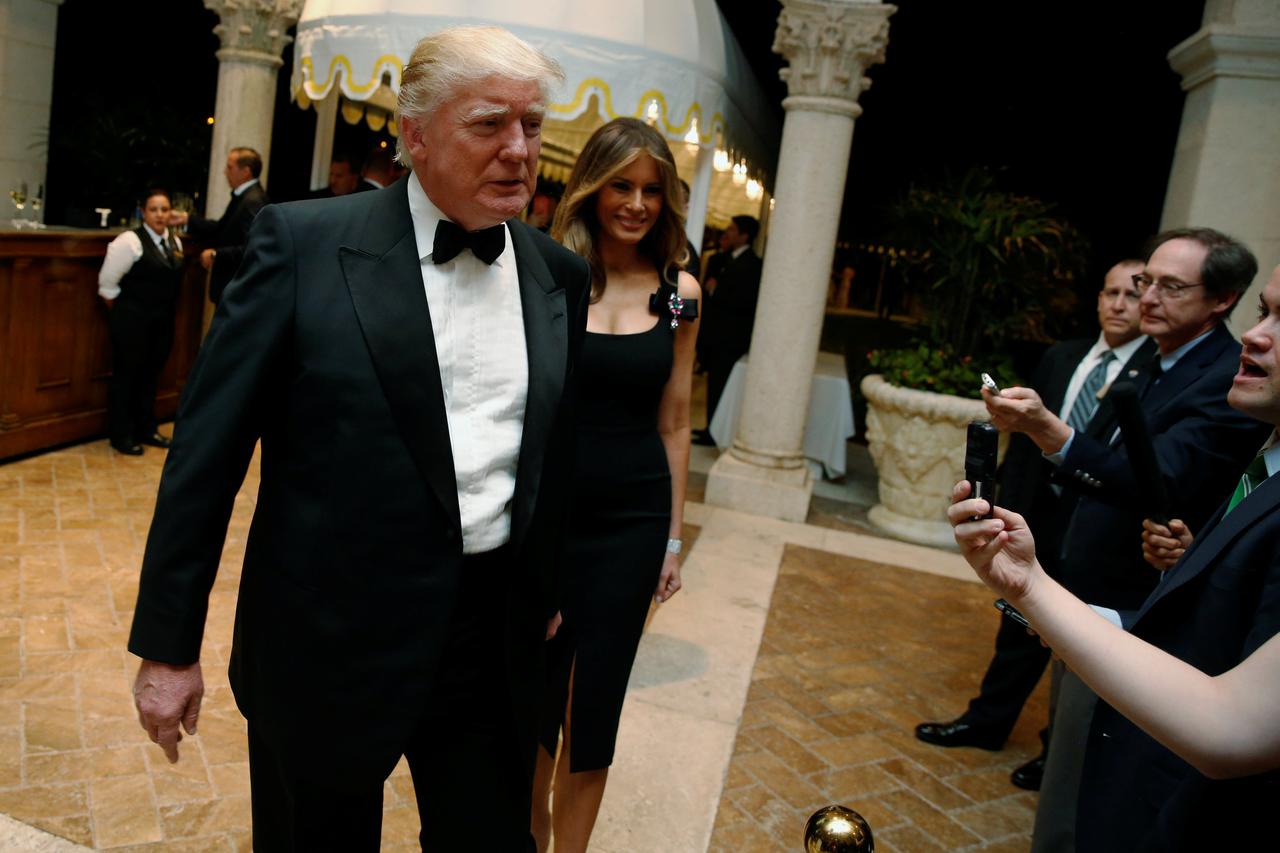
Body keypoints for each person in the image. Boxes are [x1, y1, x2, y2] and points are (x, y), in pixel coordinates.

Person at [128, 26, 590, 851]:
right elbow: (206, 452)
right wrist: (168, 645)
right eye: (490, 124)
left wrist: (552, 580)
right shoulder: (300, 245)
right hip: (326, 642)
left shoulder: (557, 274)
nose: (520, 150)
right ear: (415, 134)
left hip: (491, 648)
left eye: (533, 125)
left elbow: (554, 447)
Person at [949, 264, 1280, 850]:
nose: (1257, 335)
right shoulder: (1261, 445)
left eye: (1169, 287)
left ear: (1215, 300)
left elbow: (1234, 728)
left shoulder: (1227, 389)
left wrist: (1032, 587)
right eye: (1266, 312)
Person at [916, 260, 1151, 791]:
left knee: (1081, 638)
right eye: (1110, 292)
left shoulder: (1151, 374)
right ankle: (986, 721)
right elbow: (1023, 443)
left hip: (1098, 530)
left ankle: (1058, 748)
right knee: (1017, 624)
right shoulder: (1062, 357)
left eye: (1131, 296)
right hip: (1035, 515)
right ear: (1096, 300)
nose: (1118, 304)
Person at [532, 117, 700, 853]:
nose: (636, 203)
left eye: (652, 191)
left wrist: (671, 538)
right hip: (549, 514)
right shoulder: (549, 272)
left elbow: (676, 419)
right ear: (593, 188)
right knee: (535, 696)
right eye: (622, 186)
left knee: (592, 704)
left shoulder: (680, 291)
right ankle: (527, 835)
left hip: (631, 521)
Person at [97, 188, 185, 456]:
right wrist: (128, 314)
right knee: (126, 377)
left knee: (150, 377)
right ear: (143, 213)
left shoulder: (175, 242)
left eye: (165, 209)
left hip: (162, 324)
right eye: (154, 209)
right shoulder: (129, 241)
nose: (160, 215)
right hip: (132, 322)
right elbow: (107, 285)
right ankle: (121, 434)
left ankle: (147, 429)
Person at [169, 146, 268, 304]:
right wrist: (186, 219)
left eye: (230, 167)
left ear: (246, 172)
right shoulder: (244, 196)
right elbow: (222, 228)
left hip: (237, 288)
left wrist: (217, 254)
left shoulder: (252, 201)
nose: (225, 172)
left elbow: (252, 247)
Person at [694, 215, 761, 444]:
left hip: (731, 338)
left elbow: (744, 301)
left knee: (723, 385)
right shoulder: (724, 259)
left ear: (744, 235)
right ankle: (711, 427)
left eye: (733, 229)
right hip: (717, 335)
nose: (727, 233)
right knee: (714, 384)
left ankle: (716, 430)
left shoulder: (753, 265)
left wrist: (716, 291)